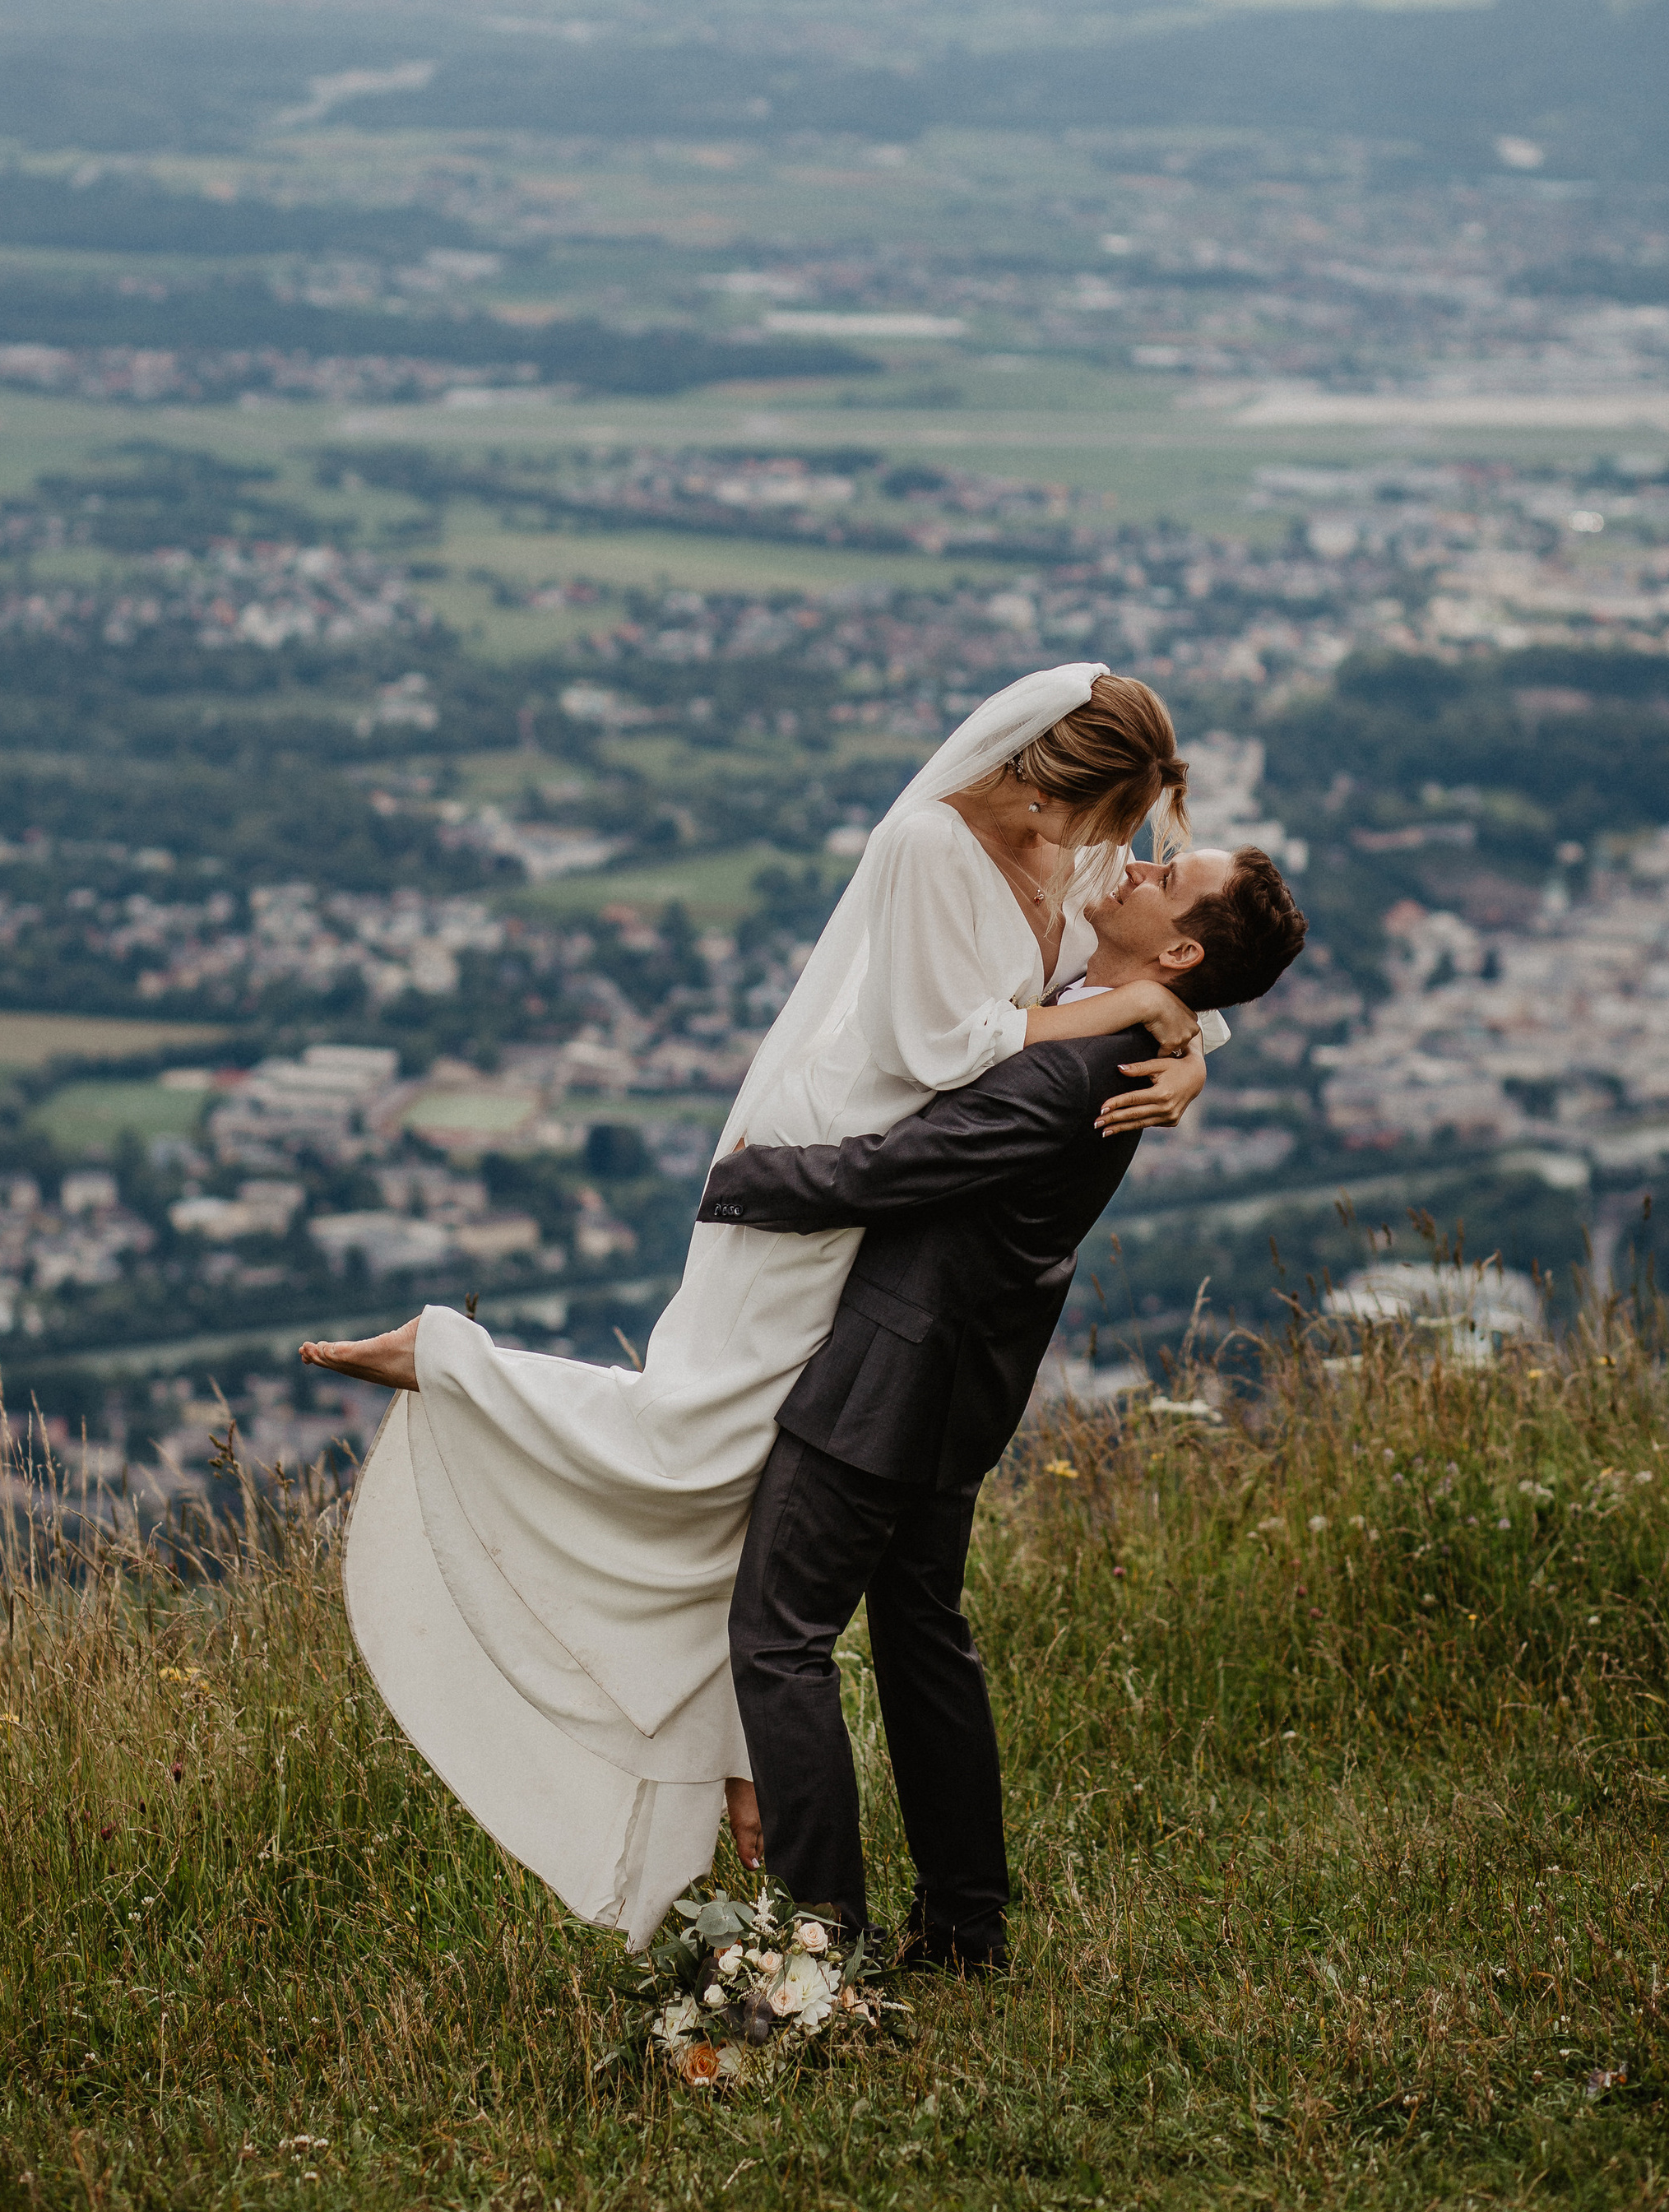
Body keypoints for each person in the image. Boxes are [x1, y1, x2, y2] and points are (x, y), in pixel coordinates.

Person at [304, 665, 1226, 1948]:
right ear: (1038, 772)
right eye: (1097, 820)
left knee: (754, 1491)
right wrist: (1151, 1015)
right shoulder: (929, 843)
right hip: (837, 1149)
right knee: (709, 1429)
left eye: (1130, 839)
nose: (1108, 855)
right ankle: (454, 1362)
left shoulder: (1065, 868)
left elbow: (1143, 982)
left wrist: (1187, 1046)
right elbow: (942, 1052)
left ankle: (791, 1848)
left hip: (876, 1205)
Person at [702, 844, 1309, 1968]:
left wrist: (740, 1178)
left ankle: (820, 1950)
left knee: (780, 1637)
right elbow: (1172, 1005)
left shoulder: (1074, 1069)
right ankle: (966, 1927)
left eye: (1167, 872)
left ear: (1177, 950)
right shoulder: (1114, 1016)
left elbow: (898, 1169)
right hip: (961, 1379)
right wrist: (1190, 1035)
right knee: (922, 1634)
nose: (1136, 862)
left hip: (890, 1383)